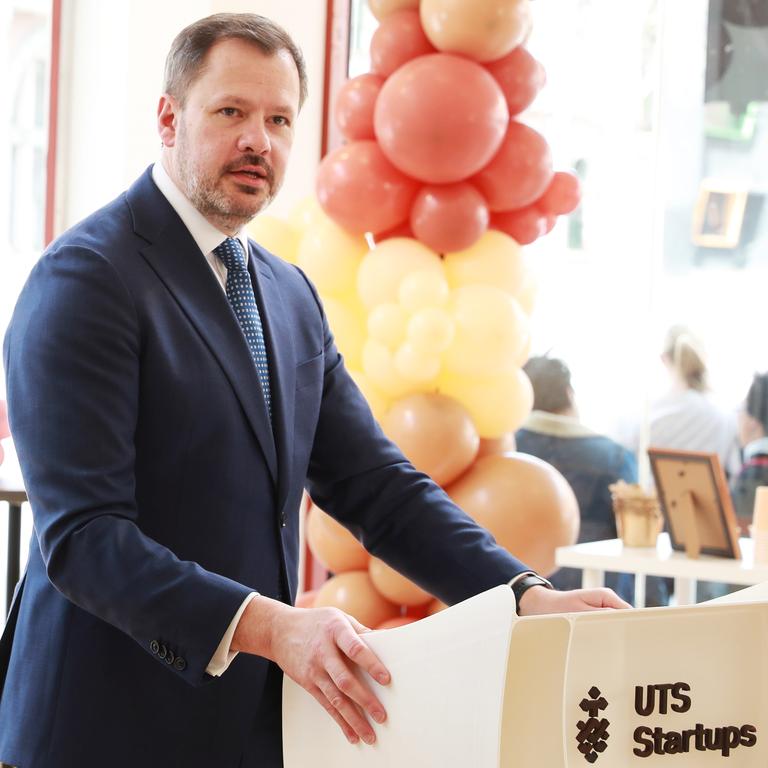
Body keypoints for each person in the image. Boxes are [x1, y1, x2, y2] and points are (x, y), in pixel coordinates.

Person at [0, 14, 628, 768]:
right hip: (103, 726)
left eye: (279, 119)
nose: (258, 141)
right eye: (231, 111)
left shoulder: (287, 293)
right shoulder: (85, 279)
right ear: (169, 118)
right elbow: (86, 540)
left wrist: (524, 595)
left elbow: (377, 488)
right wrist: (270, 626)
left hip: (249, 726)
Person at [515, 356, 639, 603]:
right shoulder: (615, 457)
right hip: (597, 597)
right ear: (569, 394)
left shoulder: (506, 448)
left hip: (518, 591)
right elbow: (633, 536)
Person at [648, 325, 740, 477]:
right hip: (708, 500)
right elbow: (735, 472)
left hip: (655, 499)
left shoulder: (646, 417)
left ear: (664, 358)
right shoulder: (726, 417)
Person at [730, 372, 768, 530]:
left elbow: (741, 531)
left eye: (741, 409)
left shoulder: (755, 471)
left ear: (753, 420)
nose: (738, 416)